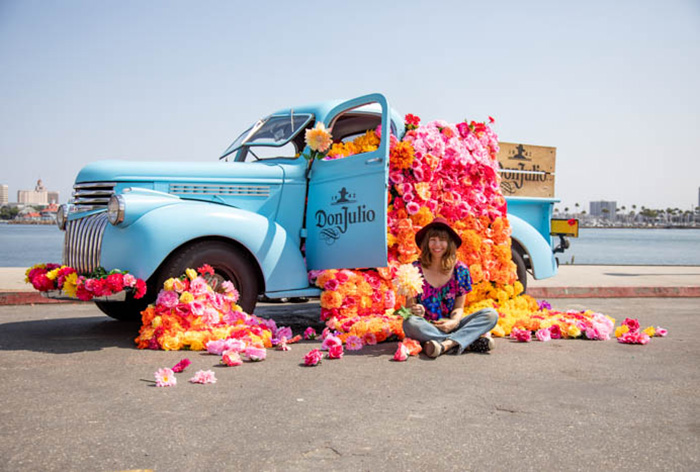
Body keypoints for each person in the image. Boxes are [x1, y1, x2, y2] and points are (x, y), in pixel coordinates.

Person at [403, 217, 499, 358]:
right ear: (426, 242)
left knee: (491, 315)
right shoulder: (414, 269)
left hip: (452, 323)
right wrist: (415, 310)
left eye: (442, 240)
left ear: (449, 243)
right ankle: (465, 341)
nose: (437, 244)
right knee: (409, 322)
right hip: (427, 326)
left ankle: (445, 345)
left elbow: (459, 308)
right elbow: (408, 309)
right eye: (433, 240)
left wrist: (453, 322)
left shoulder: (460, 269)